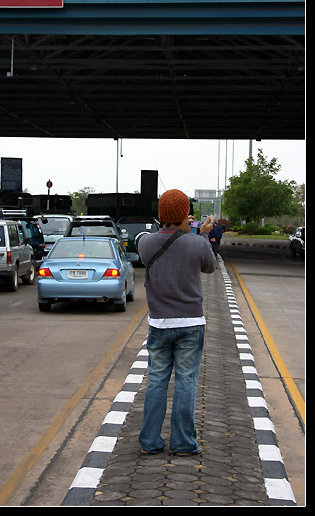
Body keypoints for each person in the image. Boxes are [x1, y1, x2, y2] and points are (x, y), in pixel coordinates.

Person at [137, 189, 216, 456]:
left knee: (157, 381)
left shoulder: (145, 243)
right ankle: (183, 443)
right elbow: (209, 266)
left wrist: (183, 230)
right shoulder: (197, 242)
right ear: (185, 215)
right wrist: (201, 233)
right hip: (190, 324)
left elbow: (162, 248)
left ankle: (150, 442)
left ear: (160, 214)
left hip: (159, 324)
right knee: (186, 382)